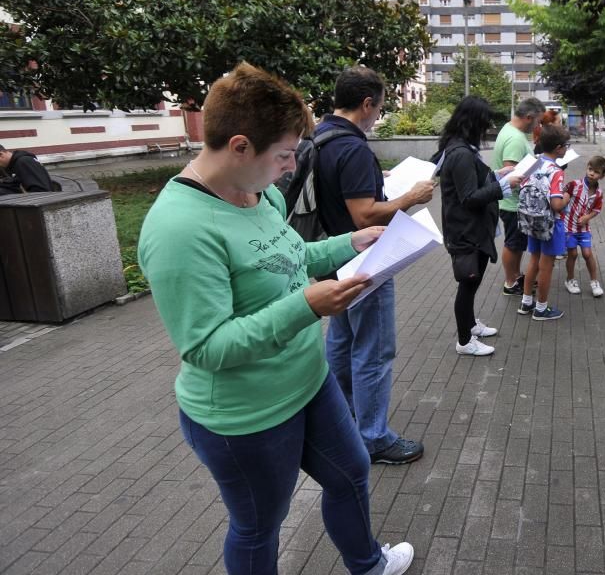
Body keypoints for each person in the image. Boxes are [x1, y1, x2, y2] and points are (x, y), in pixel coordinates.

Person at [137, 62, 414, 575]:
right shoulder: (180, 228)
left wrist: (350, 243)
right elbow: (206, 347)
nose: (291, 168)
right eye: (285, 155)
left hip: (308, 382)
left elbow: (289, 256)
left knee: (351, 471)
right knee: (261, 525)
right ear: (240, 146)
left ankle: (368, 564)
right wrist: (306, 305)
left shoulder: (258, 192)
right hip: (245, 417)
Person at [315, 66, 435, 465]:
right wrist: (412, 196)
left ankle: (342, 420)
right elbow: (365, 215)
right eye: (379, 108)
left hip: (331, 260)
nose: (378, 116)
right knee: (373, 352)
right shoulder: (353, 149)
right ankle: (374, 437)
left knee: (341, 345)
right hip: (366, 264)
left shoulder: (321, 138)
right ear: (366, 104)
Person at [431, 96, 523, 356]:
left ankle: (470, 325)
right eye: (484, 122)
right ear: (473, 122)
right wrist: (505, 186)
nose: (487, 128)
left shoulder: (461, 148)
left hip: (471, 229)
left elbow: (475, 180)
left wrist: (498, 176)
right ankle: (464, 341)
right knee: (468, 284)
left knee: (474, 281)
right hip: (465, 231)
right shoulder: (460, 153)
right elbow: (469, 197)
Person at [490, 97, 546, 296]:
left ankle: (515, 276)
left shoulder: (510, 130)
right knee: (513, 244)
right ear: (529, 117)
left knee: (516, 243)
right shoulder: (515, 138)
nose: (538, 125)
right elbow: (509, 172)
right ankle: (510, 282)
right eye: (538, 121)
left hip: (512, 201)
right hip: (512, 203)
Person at [517, 123, 571, 321]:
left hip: (530, 220)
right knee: (546, 265)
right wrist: (567, 196)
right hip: (549, 223)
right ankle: (541, 308)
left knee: (533, 260)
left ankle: (526, 302)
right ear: (558, 148)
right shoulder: (556, 171)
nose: (568, 148)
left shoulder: (533, 163)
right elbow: (557, 204)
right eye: (567, 144)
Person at [562, 155, 605, 297]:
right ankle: (570, 280)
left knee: (587, 254)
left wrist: (587, 217)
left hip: (584, 229)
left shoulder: (599, 193)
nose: (592, 173)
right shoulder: (574, 185)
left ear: (602, 176)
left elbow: (597, 210)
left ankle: (594, 282)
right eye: (590, 169)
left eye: (596, 172)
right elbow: (562, 202)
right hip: (568, 227)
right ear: (586, 168)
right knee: (573, 254)